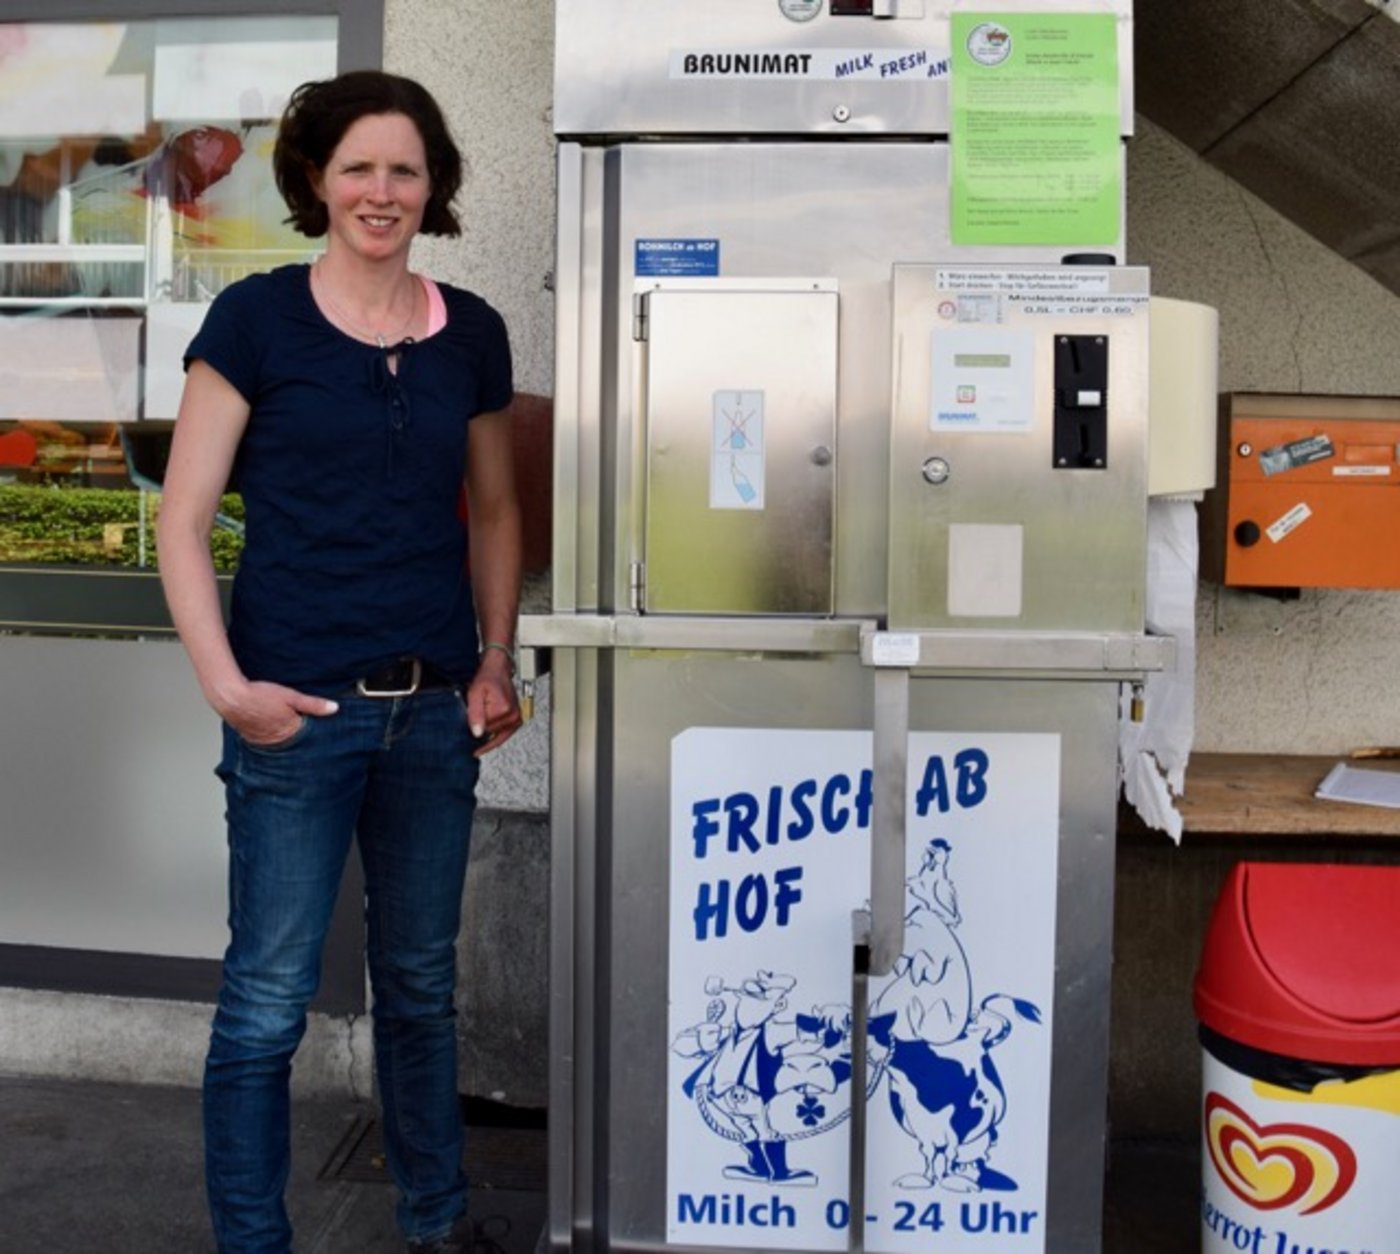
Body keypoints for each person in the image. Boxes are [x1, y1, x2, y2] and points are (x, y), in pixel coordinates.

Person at [157, 70, 521, 1254]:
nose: (382, 191)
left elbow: (498, 513)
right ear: (316, 179)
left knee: (419, 992)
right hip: (294, 714)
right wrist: (227, 687)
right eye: (358, 167)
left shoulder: (469, 331)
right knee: (266, 1004)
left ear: (433, 186)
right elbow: (185, 515)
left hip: (430, 716)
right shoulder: (256, 321)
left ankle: (436, 1224)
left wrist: (496, 660)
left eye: (404, 169)